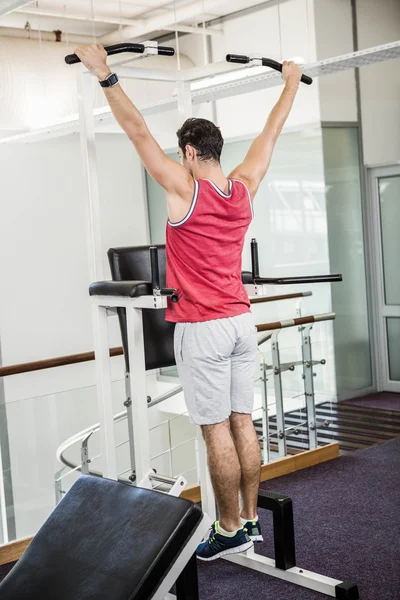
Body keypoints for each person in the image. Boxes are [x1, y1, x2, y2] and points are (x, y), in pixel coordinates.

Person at [75, 44, 302, 561]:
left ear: (191, 152)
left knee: (215, 427)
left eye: (182, 152)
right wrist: (289, 83)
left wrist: (104, 73)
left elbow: (137, 133)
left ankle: (225, 527)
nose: (180, 159)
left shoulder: (184, 187)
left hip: (203, 328)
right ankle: (247, 520)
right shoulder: (243, 187)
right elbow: (272, 133)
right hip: (243, 322)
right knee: (243, 420)